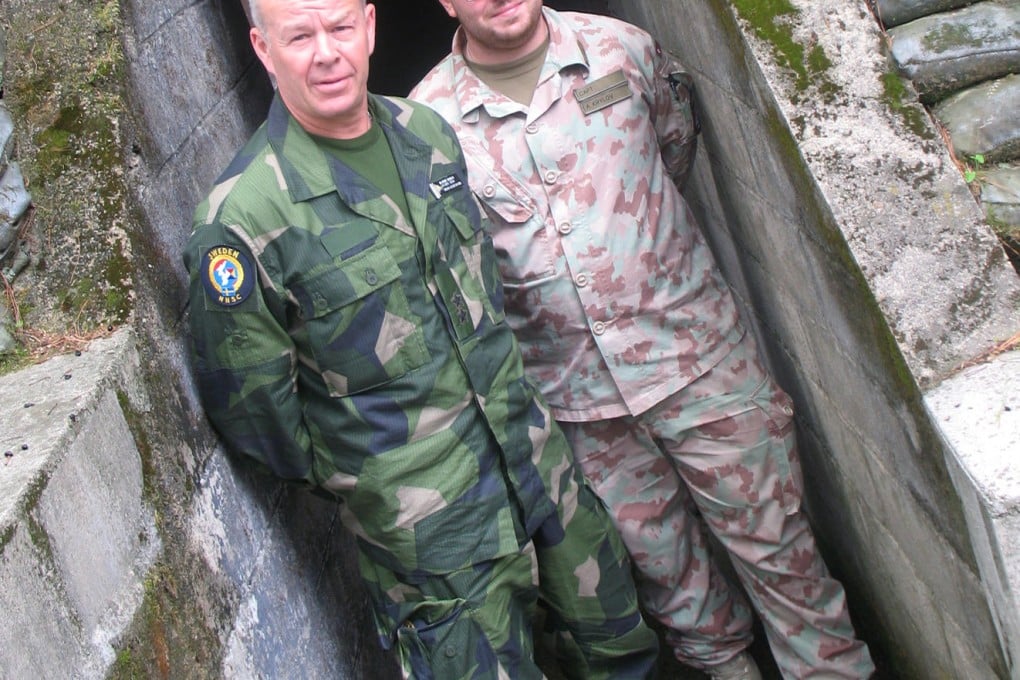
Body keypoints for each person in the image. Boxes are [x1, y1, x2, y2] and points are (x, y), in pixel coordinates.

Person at [182, 0, 662, 678]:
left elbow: (481, 302)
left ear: (370, 26)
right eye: (300, 37)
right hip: (435, 545)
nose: (327, 52)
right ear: (263, 49)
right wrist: (380, 480)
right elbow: (261, 421)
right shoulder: (244, 221)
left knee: (624, 656)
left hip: (541, 477)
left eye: (341, 27)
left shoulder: (427, 136)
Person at [411, 3, 877, 679]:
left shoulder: (620, 49)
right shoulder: (427, 122)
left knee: (782, 556)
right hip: (581, 404)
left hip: (698, 360)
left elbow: (673, 144)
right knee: (673, 583)